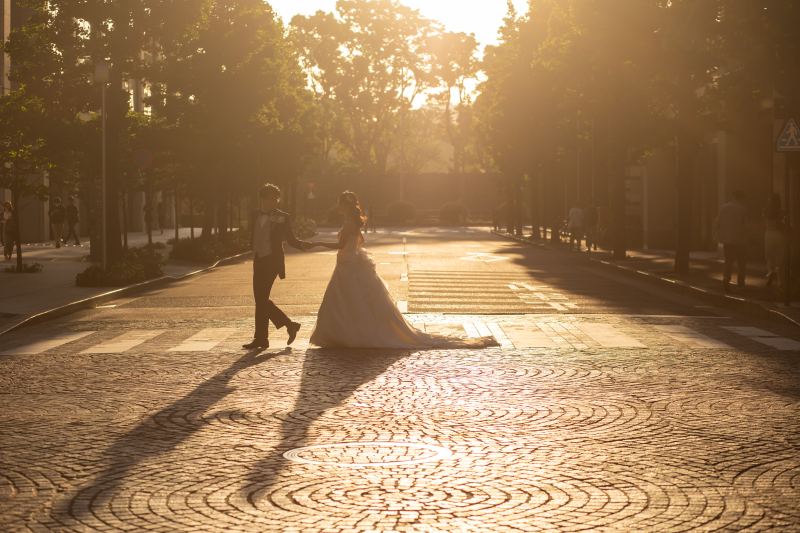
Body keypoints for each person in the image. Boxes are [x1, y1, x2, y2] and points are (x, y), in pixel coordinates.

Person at [305, 191, 498, 349]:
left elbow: (340, 245)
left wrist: (319, 243)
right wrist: (352, 249)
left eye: (340, 203)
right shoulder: (353, 223)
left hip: (346, 264)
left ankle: (345, 335)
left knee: (344, 300)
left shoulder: (348, 224)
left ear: (346, 206)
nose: (338, 206)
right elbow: (360, 241)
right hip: (351, 262)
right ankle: (351, 334)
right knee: (355, 300)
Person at [243, 183, 311, 350]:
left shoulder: (283, 217)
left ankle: (261, 339)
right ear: (262, 199)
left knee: (261, 299)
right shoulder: (255, 214)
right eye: (270, 199)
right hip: (259, 259)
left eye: (277, 199)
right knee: (260, 300)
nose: (274, 203)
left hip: (273, 261)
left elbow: (291, 239)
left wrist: (303, 245)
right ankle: (288, 325)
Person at [715, 189, 748, 292]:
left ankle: (726, 278)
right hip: (740, 240)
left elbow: (717, 223)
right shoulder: (743, 209)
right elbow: (747, 225)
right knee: (741, 263)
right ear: (741, 198)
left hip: (727, 240)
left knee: (728, 261)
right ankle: (741, 284)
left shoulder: (724, 207)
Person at [763, 192, 785, 288]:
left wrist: (768, 205)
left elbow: (766, 219)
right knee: (781, 256)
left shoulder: (765, 211)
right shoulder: (782, 211)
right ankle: (781, 281)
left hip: (769, 233)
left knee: (769, 254)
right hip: (780, 234)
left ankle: (771, 271)